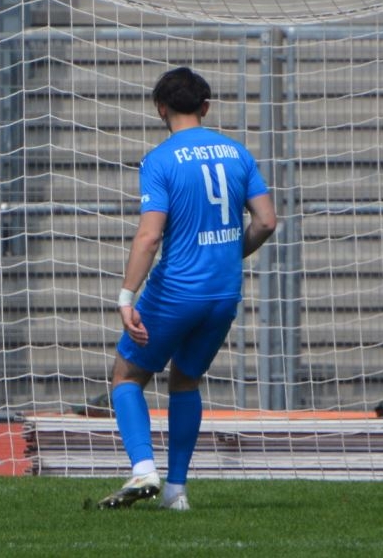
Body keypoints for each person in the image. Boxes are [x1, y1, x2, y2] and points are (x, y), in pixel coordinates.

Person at [97, 67, 277, 511]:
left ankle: (143, 469)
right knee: (185, 380)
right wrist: (229, 254)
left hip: (176, 290)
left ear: (161, 108)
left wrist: (126, 296)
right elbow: (267, 222)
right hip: (224, 293)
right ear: (206, 107)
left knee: (127, 376)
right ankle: (176, 492)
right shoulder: (237, 153)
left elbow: (149, 237)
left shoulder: (160, 160)